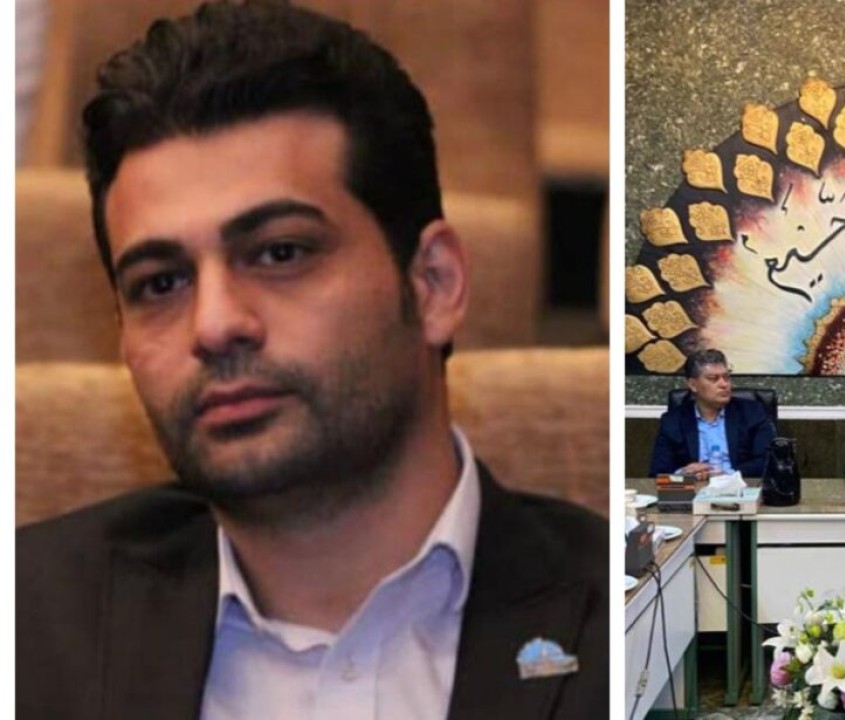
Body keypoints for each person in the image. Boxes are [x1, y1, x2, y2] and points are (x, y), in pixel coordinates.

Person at [16, 4, 607, 718]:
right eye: (161, 283)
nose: (215, 325)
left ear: (433, 283)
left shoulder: (653, 627)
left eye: (280, 253)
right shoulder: (27, 630)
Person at [649, 348, 777, 478]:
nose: (724, 384)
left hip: (738, 485)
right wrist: (683, 474)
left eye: (726, 377)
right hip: (694, 487)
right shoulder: (672, 420)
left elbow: (768, 461)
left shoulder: (752, 412)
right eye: (713, 378)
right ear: (693, 385)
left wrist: (729, 475)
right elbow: (658, 472)